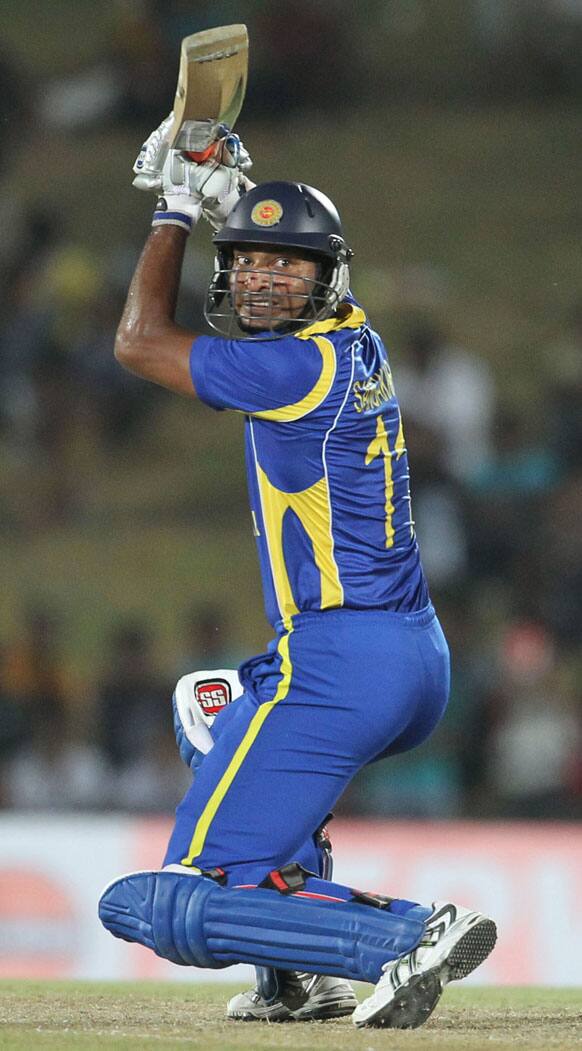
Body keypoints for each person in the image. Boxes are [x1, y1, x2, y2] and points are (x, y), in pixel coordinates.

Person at [98, 117, 496, 1029]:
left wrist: (175, 209)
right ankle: (298, 975)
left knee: (157, 901)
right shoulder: (353, 336)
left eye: (288, 267)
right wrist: (228, 191)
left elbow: (134, 341)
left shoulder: (288, 367)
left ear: (328, 278)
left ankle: (406, 936)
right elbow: (283, 252)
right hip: (406, 650)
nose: (265, 279)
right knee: (207, 706)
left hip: (342, 657)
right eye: (250, 262)